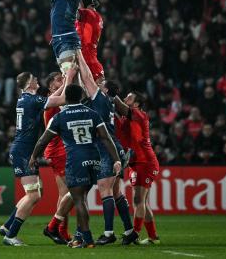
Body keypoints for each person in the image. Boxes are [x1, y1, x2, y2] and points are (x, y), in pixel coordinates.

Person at [29, 84, 122, 249]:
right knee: (82, 197)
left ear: (66, 98)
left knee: (79, 200)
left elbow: (43, 140)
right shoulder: (93, 114)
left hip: (75, 160)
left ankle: (87, 239)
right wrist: (116, 159)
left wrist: (33, 157)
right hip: (94, 159)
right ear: (80, 97)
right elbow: (106, 138)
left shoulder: (59, 117)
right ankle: (77, 236)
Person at [0, 68, 75, 246]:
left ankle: (7, 226)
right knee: (33, 195)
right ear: (29, 83)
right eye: (34, 79)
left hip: (24, 149)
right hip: (24, 152)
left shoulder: (25, 99)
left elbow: (53, 99)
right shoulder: (32, 100)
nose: (38, 81)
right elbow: (62, 99)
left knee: (37, 191)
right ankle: (11, 235)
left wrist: (63, 84)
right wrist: (70, 77)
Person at [77, 50, 136, 245]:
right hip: (113, 147)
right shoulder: (107, 102)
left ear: (105, 91)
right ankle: (129, 231)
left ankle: (109, 233)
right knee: (116, 192)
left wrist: (79, 54)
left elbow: (86, 77)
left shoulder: (101, 99)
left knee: (105, 190)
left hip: (106, 149)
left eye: (101, 84)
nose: (98, 84)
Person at [115, 91, 161, 244]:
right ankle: (153, 237)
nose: (125, 98)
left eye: (129, 98)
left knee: (138, 199)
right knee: (143, 202)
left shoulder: (139, 114)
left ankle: (135, 232)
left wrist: (110, 93)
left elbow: (121, 107)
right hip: (135, 163)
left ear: (136, 104)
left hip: (145, 161)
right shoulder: (126, 117)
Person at [41, 72, 72, 244]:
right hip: (57, 150)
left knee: (66, 193)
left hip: (61, 149)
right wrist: (69, 77)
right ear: (52, 86)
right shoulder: (51, 99)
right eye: (59, 79)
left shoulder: (60, 98)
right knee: (69, 193)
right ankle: (58, 229)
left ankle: (61, 230)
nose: (63, 81)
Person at [76, 0, 105, 82]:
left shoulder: (90, 14)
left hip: (88, 63)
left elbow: (71, 13)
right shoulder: (89, 17)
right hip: (87, 60)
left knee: (102, 94)